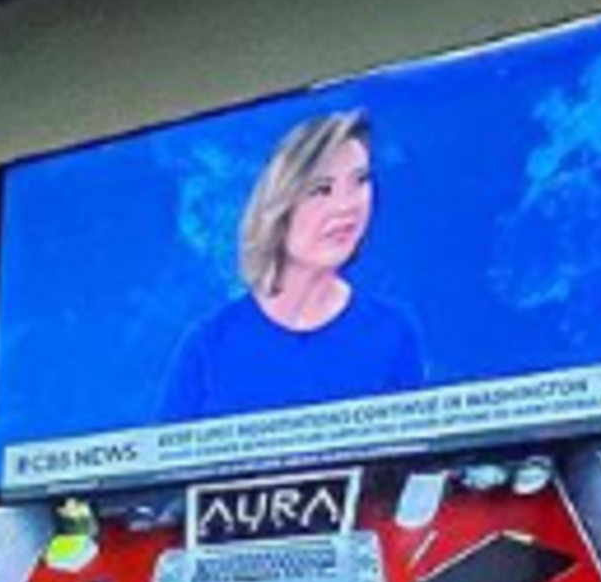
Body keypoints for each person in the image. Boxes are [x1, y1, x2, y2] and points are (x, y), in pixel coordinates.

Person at [160, 108, 430, 431]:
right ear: (278, 205)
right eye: (322, 189)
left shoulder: (394, 331)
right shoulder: (208, 346)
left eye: (360, 181)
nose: (347, 207)